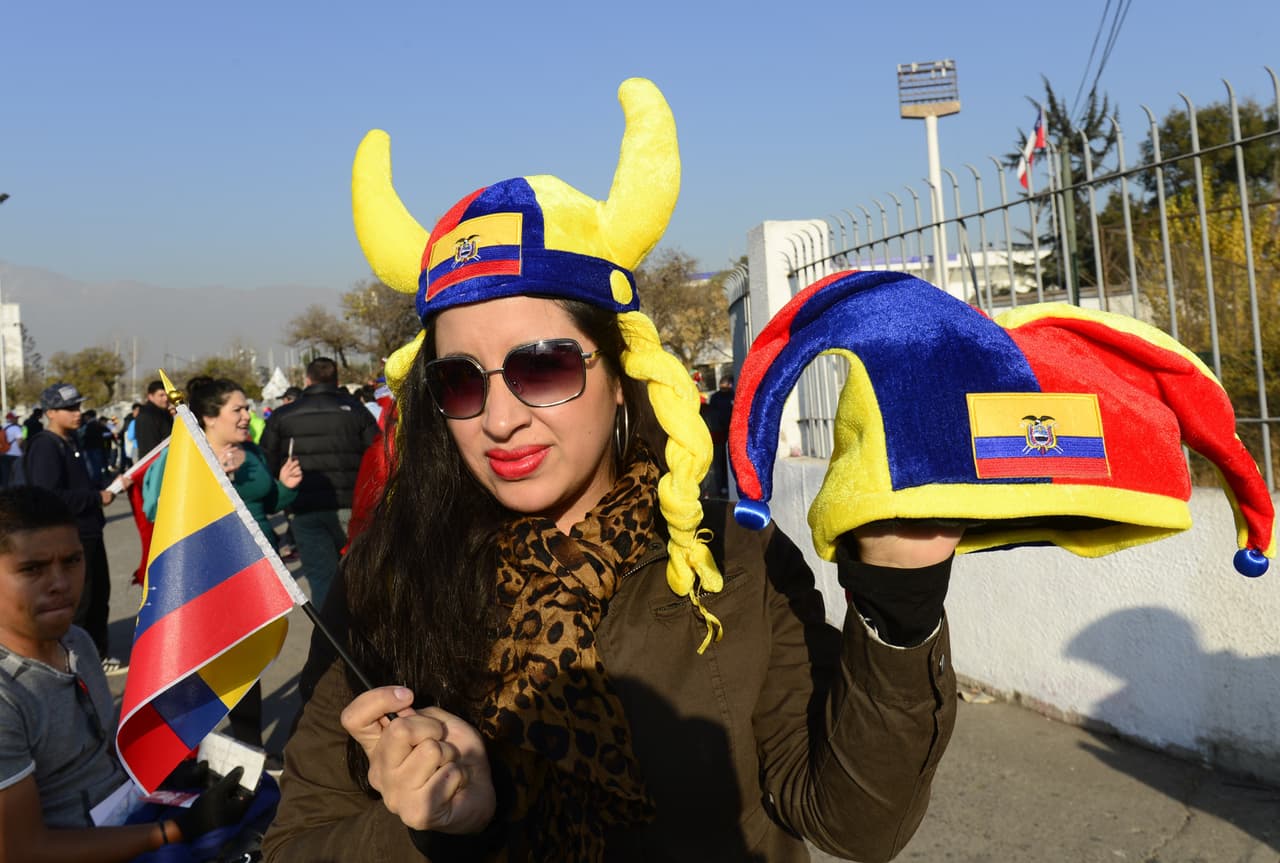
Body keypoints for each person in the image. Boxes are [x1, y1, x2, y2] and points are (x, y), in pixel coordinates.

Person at [264, 79, 958, 862]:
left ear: (623, 371)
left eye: (544, 366)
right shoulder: (385, 581)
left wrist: (900, 606)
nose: (499, 419)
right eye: (461, 380)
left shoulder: (731, 560)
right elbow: (296, 845)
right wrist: (435, 822)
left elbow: (853, 820)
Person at [0, 485, 252, 861]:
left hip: (133, 812)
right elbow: (23, 850)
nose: (60, 583)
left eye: (72, 561)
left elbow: (104, 756)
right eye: (32, 568)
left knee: (260, 793)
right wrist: (175, 830)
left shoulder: (79, 643)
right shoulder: (7, 696)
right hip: (85, 846)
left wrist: (165, 784)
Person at [143, 378, 302, 753]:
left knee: (247, 664)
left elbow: (269, 502)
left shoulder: (254, 452)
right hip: (209, 574)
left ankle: (248, 748)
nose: (248, 416)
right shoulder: (185, 455)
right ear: (210, 418)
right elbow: (156, 510)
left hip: (259, 574)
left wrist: (286, 486)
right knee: (206, 665)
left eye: (247, 408)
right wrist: (214, 482)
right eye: (239, 409)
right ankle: (187, 751)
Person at [22, 384, 126, 673]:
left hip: (89, 531)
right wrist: (95, 498)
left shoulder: (71, 441)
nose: (77, 413)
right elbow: (49, 495)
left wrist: (104, 490)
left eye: (78, 407)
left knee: (98, 596)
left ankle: (96, 656)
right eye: (70, 408)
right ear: (51, 413)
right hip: (70, 535)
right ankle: (74, 663)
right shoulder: (45, 445)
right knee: (81, 600)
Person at [259, 358, 377, 610]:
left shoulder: (283, 415)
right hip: (352, 507)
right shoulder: (357, 411)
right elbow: (378, 456)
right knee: (358, 577)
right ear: (336, 381)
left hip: (303, 508)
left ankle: (330, 640)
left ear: (307, 380)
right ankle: (360, 638)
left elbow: (266, 461)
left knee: (322, 579)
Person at [704, 374, 735, 497]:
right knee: (719, 463)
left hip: (732, 434)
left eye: (726, 383)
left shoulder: (733, 396)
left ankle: (727, 486)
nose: (724, 386)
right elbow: (712, 416)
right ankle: (721, 487)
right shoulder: (715, 398)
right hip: (719, 436)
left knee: (730, 462)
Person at [133, 380, 173, 457]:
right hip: (156, 462)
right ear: (151, 396)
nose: (166, 398)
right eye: (161, 395)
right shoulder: (148, 415)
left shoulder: (163, 413)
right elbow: (149, 447)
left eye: (167, 395)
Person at [0, 412, 22, 487]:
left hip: (3, 453)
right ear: (12, 419)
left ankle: (5, 492)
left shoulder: (2, 427)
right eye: (16, 418)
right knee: (16, 475)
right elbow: (20, 441)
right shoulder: (16, 428)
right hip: (15, 454)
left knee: (5, 475)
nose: (17, 420)